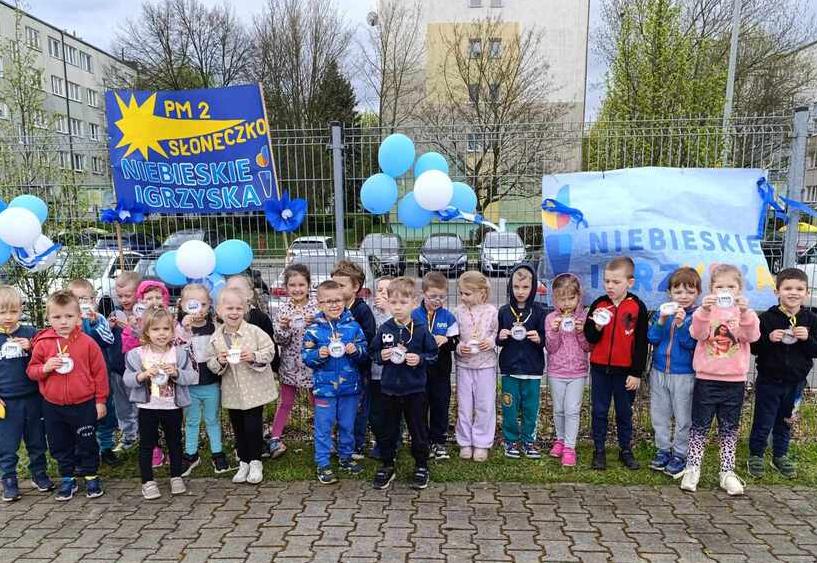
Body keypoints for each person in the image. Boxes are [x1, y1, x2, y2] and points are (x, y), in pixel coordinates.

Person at [681, 263, 760, 495]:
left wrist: (745, 313)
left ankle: (727, 472)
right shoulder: (704, 311)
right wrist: (704, 312)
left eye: (730, 287)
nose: (725, 291)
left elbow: (752, 336)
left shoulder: (746, 313)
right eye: (719, 287)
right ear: (711, 289)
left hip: (734, 381)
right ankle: (692, 468)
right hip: (706, 379)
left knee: (729, 428)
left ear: (739, 289)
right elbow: (698, 334)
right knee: (700, 426)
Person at [27, 290, 108, 501]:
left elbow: (100, 374)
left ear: (79, 317)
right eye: (57, 317)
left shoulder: (88, 343)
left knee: (87, 441)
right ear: (48, 318)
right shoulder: (43, 343)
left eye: (69, 316)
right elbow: (31, 371)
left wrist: (100, 401)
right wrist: (45, 368)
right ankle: (67, 478)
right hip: (53, 406)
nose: (63, 322)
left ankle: (91, 476)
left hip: (84, 404)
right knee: (59, 444)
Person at [748, 268, 817, 479]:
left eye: (799, 289)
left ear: (806, 292)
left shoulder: (811, 319)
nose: (793, 293)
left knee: (786, 420)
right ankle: (756, 455)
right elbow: (754, 348)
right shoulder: (767, 318)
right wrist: (768, 339)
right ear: (777, 291)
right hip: (769, 381)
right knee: (763, 420)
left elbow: (815, 351)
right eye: (787, 288)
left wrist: (807, 339)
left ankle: (780, 455)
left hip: (796, 383)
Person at [370, 277, 438, 490]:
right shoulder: (385, 328)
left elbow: (433, 353)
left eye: (403, 302)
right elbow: (373, 352)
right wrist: (381, 356)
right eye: (393, 302)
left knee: (418, 428)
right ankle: (387, 464)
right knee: (388, 428)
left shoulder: (421, 329)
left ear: (414, 303)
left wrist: (420, 359)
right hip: (389, 389)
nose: (398, 307)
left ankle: (421, 465)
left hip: (415, 390)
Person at [124, 307, 197, 499]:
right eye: (156, 329)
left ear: (172, 331)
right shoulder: (137, 354)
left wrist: (176, 373)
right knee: (147, 444)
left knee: (175, 442)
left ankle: (176, 476)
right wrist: (143, 375)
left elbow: (192, 376)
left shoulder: (179, 354)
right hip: (147, 407)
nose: (161, 333)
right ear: (147, 331)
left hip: (172, 407)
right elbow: (127, 380)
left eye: (166, 329)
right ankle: (147, 481)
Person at [207, 288, 278, 485]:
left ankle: (255, 461)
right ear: (219, 310)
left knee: (253, 426)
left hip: (254, 389)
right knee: (238, 426)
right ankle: (244, 461)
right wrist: (220, 361)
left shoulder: (254, 332)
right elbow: (211, 362)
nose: (234, 312)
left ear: (245, 310)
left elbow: (270, 351)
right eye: (229, 308)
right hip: (233, 391)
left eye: (239, 308)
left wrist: (254, 356)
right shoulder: (216, 337)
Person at [583, 256, 648, 471]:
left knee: (624, 412)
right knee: (599, 411)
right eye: (607, 281)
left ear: (630, 282)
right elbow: (590, 337)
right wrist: (597, 327)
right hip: (600, 369)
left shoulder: (637, 306)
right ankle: (599, 450)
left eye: (616, 282)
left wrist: (636, 373)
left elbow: (641, 343)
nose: (610, 286)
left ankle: (625, 450)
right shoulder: (599, 304)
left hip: (625, 372)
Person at [302, 280, 367, 485]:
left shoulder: (354, 327)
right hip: (324, 389)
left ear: (345, 301)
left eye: (338, 300)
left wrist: (356, 350)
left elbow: (364, 353)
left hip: (350, 388)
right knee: (324, 426)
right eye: (328, 301)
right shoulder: (313, 330)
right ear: (319, 303)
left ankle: (346, 457)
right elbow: (306, 357)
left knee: (347, 424)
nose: (334, 305)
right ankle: (323, 463)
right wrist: (318, 354)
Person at [0, 285, 53, 502]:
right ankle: (9, 478)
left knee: (37, 440)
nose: (8, 317)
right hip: (6, 402)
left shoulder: (31, 333)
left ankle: (39, 473)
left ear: (21, 310)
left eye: (13, 311)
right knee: (7, 444)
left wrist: (31, 348)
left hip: (33, 397)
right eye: (2, 312)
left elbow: (44, 358)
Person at [647, 267, 701, 477]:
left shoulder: (697, 316)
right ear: (670, 293)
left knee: (683, 417)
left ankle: (680, 453)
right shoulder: (662, 313)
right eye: (678, 292)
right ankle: (663, 449)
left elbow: (691, 344)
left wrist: (681, 325)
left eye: (690, 291)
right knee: (659, 414)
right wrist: (661, 321)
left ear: (698, 293)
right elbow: (652, 338)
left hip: (684, 374)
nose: (683, 296)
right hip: (659, 371)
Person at [175, 284, 231, 476]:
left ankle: (217, 453)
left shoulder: (215, 327)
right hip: (190, 384)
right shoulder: (178, 328)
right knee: (191, 420)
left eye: (203, 305)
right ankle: (191, 454)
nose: (199, 310)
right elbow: (177, 348)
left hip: (211, 383)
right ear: (182, 305)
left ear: (209, 305)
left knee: (212, 418)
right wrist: (184, 328)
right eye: (193, 304)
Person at [67, 278, 118, 467]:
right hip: (77, 377)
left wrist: (95, 323)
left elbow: (109, 340)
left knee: (105, 411)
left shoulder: (99, 319)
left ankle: (106, 447)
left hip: (100, 374)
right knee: (81, 413)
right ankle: (84, 449)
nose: (82, 303)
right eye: (77, 299)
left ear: (94, 300)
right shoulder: (67, 322)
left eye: (86, 298)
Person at [497, 264, 546, 460]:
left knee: (530, 409)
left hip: (532, 370)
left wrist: (539, 338)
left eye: (525, 287)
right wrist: (501, 337)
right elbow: (498, 339)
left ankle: (528, 441)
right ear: (510, 287)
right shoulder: (504, 311)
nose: (520, 291)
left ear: (533, 288)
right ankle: (510, 440)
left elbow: (546, 338)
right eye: (516, 287)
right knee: (509, 407)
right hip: (510, 369)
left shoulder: (540, 311)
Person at [269, 264, 319, 458]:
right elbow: (280, 340)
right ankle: (275, 438)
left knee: (317, 401)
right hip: (290, 364)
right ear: (286, 287)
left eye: (301, 285)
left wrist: (315, 323)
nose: (297, 289)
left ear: (309, 285)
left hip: (313, 364)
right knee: (285, 402)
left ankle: (324, 437)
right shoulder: (283, 309)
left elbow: (325, 333)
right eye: (292, 285)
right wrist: (284, 328)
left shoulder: (317, 307)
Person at [544, 273, 591, 467]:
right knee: (559, 409)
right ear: (554, 299)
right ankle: (560, 440)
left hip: (578, 372)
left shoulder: (584, 317)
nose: (566, 304)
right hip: (556, 371)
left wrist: (581, 332)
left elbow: (588, 346)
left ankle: (570, 447)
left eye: (571, 298)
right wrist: (554, 331)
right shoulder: (550, 318)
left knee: (572, 410)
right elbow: (551, 347)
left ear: (579, 297)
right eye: (561, 299)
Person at [331, 260, 376, 459]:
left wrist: (355, 350)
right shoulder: (333, 309)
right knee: (339, 407)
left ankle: (356, 443)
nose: (337, 290)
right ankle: (340, 440)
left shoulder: (362, 310)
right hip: (337, 368)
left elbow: (369, 339)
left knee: (358, 408)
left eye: (341, 285)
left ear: (356, 287)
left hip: (358, 369)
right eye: (334, 285)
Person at [412, 272, 458, 461]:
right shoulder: (414, 315)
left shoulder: (449, 317)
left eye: (441, 297)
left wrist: (446, 340)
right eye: (433, 296)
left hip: (441, 372)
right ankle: (422, 441)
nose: (437, 300)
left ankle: (439, 441)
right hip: (419, 372)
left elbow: (456, 341)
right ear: (423, 293)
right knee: (420, 407)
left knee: (440, 405)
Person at [454, 271, 498, 462]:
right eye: (461, 293)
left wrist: (491, 341)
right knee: (464, 406)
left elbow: (496, 332)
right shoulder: (458, 312)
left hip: (486, 365)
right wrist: (458, 347)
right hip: (464, 365)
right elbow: (454, 336)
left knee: (484, 405)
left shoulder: (492, 311)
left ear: (482, 292)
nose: (463, 297)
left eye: (468, 293)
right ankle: (465, 441)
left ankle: (482, 442)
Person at [368, 276, 402, 460]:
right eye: (379, 290)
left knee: (394, 410)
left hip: (394, 374)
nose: (382, 294)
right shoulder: (371, 312)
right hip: (375, 372)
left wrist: (389, 311)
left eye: (387, 291)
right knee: (376, 411)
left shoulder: (399, 314)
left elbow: (398, 334)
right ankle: (380, 441)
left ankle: (394, 441)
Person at [108, 271, 141, 452]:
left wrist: (130, 327)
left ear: (138, 292)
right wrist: (109, 325)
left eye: (128, 295)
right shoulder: (116, 313)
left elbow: (145, 337)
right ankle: (129, 436)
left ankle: (144, 434)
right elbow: (106, 338)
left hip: (136, 369)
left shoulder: (142, 314)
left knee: (139, 403)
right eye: (120, 296)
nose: (124, 299)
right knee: (122, 405)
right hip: (117, 367)